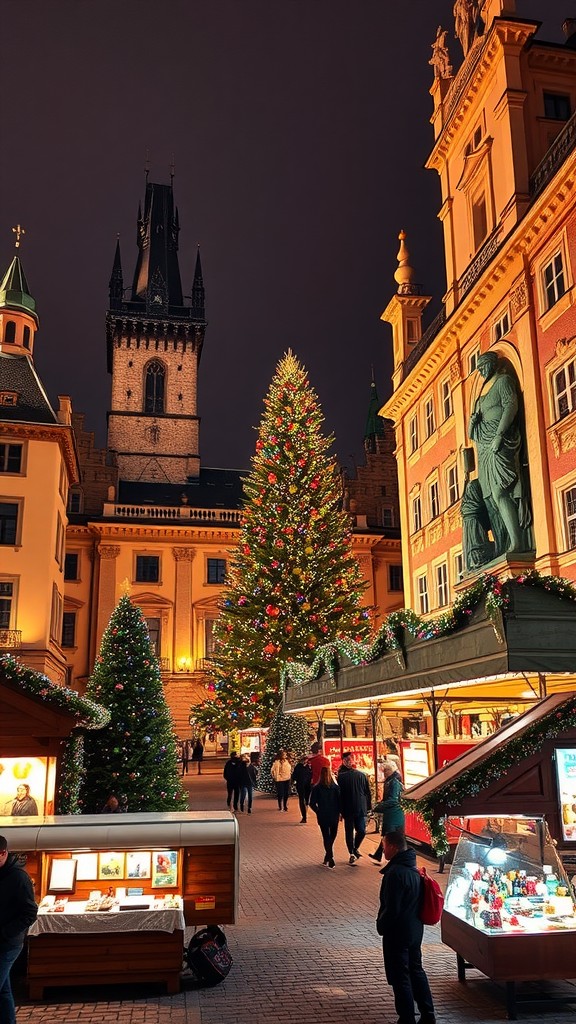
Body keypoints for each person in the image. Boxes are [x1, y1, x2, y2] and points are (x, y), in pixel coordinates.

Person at [468, 351, 532, 556]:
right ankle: (505, 543)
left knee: (501, 492)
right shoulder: (481, 395)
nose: (481, 371)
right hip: (485, 447)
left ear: (492, 364)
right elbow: (471, 434)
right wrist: (473, 421)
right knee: (492, 499)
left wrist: (499, 435)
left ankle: (517, 543)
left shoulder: (503, 381)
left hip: (500, 440)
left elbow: (511, 406)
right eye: (478, 368)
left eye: (483, 365)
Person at [376, 831, 436, 1024]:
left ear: (393, 847)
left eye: (384, 845)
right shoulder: (413, 870)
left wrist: (381, 925)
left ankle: (407, 1017)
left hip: (398, 933)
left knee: (400, 976)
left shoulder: (395, 874)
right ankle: (428, 1014)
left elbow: (392, 907)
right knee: (416, 969)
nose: (382, 849)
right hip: (414, 930)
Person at [0, 834, 38, 1024]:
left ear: (3, 854)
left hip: (9, 942)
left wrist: (5, 932)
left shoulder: (18, 877)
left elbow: (30, 913)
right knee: (4, 990)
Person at [337, 751, 372, 865]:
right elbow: (367, 793)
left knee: (358, 831)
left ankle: (353, 849)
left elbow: (366, 793)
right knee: (356, 830)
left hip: (355, 808)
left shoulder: (359, 775)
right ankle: (352, 852)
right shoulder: (344, 776)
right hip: (351, 808)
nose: (349, 761)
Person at [369, 762, 405, 863]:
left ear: (390, 771)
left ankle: (393, 858)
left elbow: (392, 800)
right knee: (390, 836)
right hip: (393, 814)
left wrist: (378, 807)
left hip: (393, 815)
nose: (384, 773)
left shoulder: (393, 782)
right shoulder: (392, 781)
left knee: (391, 836)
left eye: (385, 771)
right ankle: (379, 854)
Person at [309, 766, 341, 868]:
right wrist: (340, 812)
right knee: (333, 834)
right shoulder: (335, 788)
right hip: (334, 814)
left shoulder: (316, 788)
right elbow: (340, 802)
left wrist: (318, 811)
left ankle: (329, 856)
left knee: (326, 836)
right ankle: (329, 856)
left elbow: (312, 803)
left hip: (323, 815)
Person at [292, 754, 313, 823]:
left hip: (307, 785)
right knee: (302, 800)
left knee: (306, 800)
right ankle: (304, 817)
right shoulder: (298, 766)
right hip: (301, 785)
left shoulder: (308, 767)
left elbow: (311, 774)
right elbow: (294, 776)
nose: (305, 762)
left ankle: (305, 813)